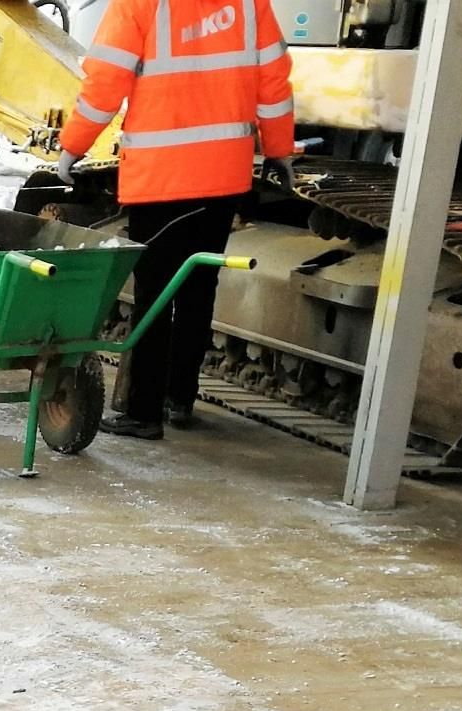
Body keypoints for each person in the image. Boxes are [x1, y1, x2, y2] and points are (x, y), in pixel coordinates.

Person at [52, 0, 293, 439]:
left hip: (162, 179)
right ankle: (180, 398)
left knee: (155, 295)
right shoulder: (250, 5)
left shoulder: (137, 5)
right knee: (199, 289)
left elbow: (105, 82)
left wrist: (73, 146)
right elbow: (273, 81)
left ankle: (144, 412)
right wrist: (279, 149)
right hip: (223, 177)